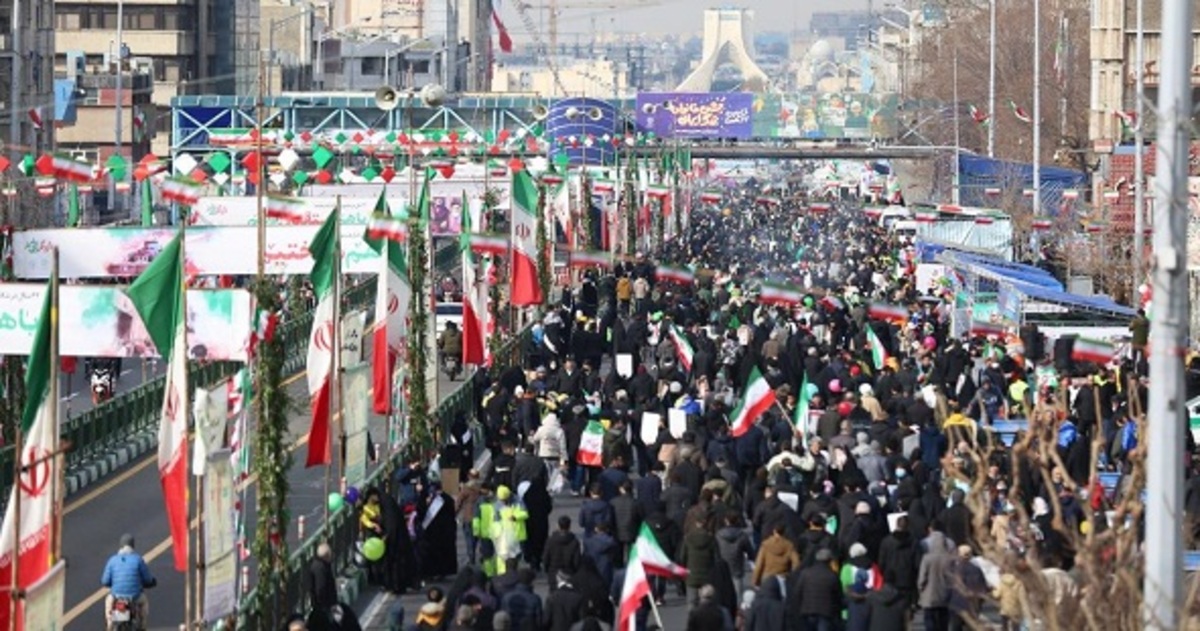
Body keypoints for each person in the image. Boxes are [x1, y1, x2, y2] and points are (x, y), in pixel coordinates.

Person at [101, 533, 156, 630]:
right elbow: (147, 579)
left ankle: (109, 625)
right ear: (133, 546)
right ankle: (143, 626)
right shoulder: (138, 560)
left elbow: (105, 581)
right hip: (134, 596)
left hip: (116, 596)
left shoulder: (112, 560)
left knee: (108, 603)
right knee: (144, 603)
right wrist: (151, 582)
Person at [304, 543, 337, 624]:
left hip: (322, 605)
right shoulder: (321, 569)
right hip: (323, 606)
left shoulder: (318, 565)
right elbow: (320, 588)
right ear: (326, 556)